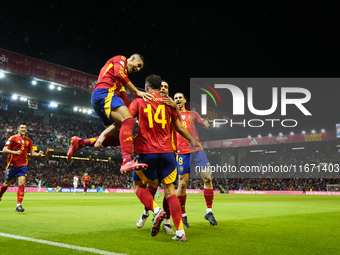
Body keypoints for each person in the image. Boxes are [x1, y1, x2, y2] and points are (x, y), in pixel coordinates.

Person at [128, 74, 195, 241]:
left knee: (137, 186)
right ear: (160, 87)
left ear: (147, 87)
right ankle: (180, 233)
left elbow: (127, 119)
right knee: (171, 191)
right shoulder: (169, 104)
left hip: (147, 152)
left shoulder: (139, 101)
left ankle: (157, 211)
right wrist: (192, 139)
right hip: (167, 153)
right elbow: (179, 127)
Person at [67, 54, 153, 174]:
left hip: (101, 98)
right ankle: (126, 161)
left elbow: (124, 98)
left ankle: (81, 143)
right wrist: (137, 92)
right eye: (138, 65)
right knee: (128, 120)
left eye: (140, 69)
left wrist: (137, 111)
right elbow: (118, 73)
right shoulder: (121, 59)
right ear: (132, 59)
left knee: (118, 138)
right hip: (104, 93)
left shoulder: (123, 78)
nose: (138, 69)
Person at [136, 80, 178, 234]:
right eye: (162, 86)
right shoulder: (150, 104)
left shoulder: (171, 107)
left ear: (168, 91)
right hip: (156, 151)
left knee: (169, 190)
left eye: (166, 87)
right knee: (152, 188)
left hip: (169, 151)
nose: (163, 88)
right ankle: (147, 213)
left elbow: (179, 127)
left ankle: (166, 221)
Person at [174, 92, 218, 227]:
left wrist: (210, 124)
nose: (177, 100)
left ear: (184, 100)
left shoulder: (193, 114)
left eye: (180, 97)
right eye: (175, 98)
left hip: (197, 149)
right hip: (182, 151)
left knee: (207, 178)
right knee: (182, 184)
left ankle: (209, 211)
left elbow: (205, 123)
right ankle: (183, 214)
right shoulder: (172, 116)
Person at [0, 124, 44, 212]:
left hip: (23, 165)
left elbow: (32, 153)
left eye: (25, 128)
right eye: (22, 128)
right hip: (12, 165)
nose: (23, 129)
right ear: (18, 129)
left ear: (27, 130)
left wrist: (38, 154)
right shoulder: (12, 138)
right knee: (6, 184)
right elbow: (4, 150)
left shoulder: (28, 140)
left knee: (22, 183)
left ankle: (18, 205)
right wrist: (15, 152)